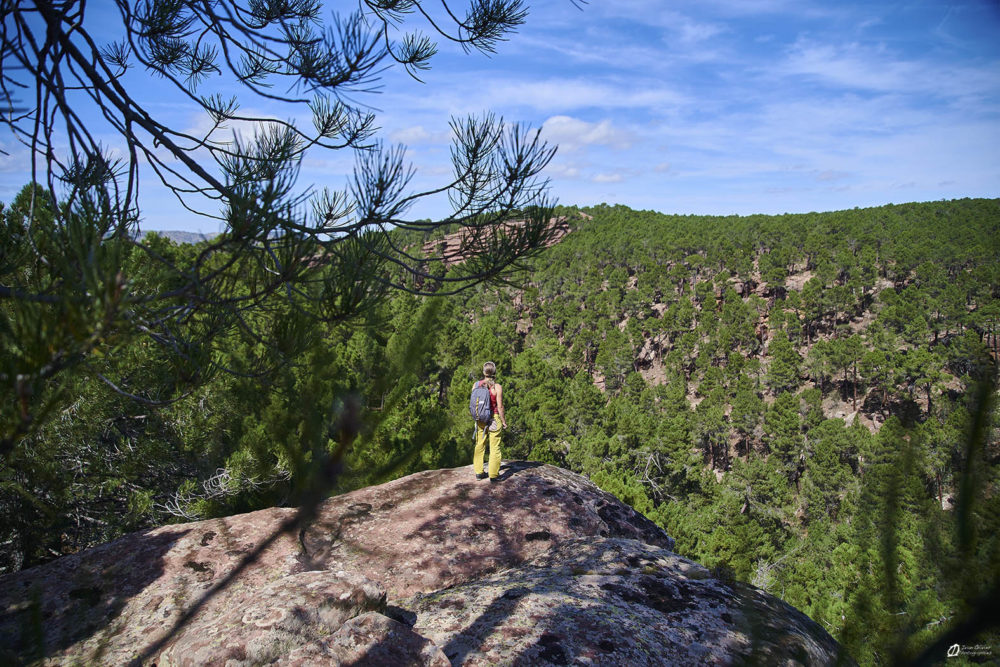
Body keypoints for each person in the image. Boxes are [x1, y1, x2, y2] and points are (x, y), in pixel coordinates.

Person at [473, 361, 506, 481]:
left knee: (480, 444)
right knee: (494, 447)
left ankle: (479, 472)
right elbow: (500, 406)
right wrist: (503, 421)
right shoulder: (497, 387)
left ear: (483, 372)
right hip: (494, 418)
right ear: (494, 373)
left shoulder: (476, 385)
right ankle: (493, 475)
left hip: (480, 419)